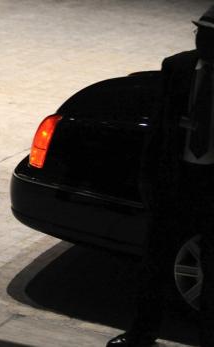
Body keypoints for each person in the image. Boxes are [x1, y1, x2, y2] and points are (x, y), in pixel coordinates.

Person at [107, 6, 214, 347]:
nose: (202, 39)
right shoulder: (178, 68)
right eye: (199, 31)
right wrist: (149, 183)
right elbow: (157, 132)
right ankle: (141, 335)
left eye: (209, 34)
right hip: (175, 183)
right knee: (153, 265)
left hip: (212, 187)